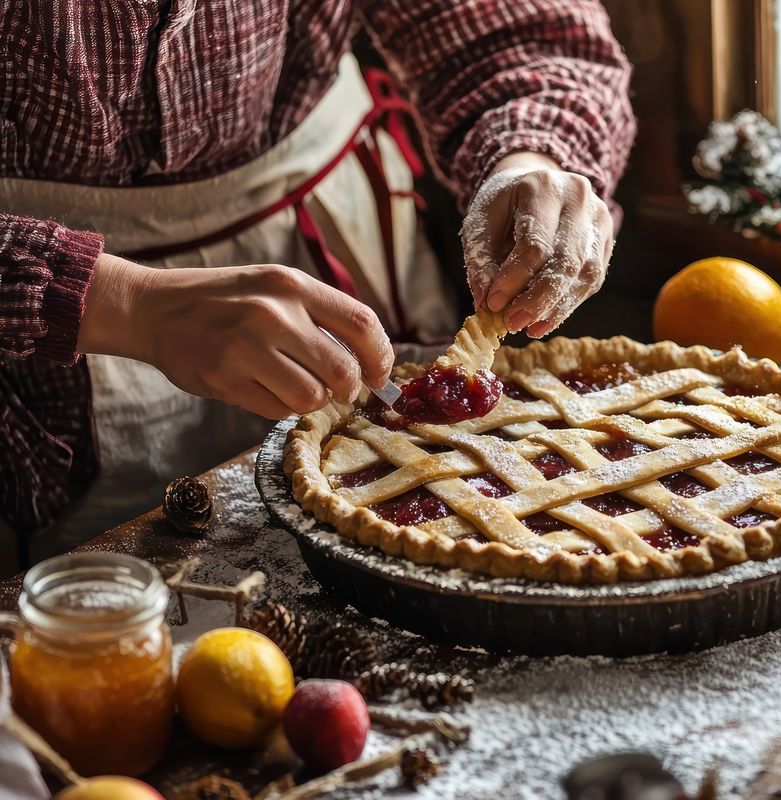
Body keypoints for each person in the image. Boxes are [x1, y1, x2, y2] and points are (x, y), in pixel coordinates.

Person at [0, 0, 635, 561]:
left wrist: (532, 156)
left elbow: (504, 26)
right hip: (45, 333)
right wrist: (125, 305)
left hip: (320, 230)